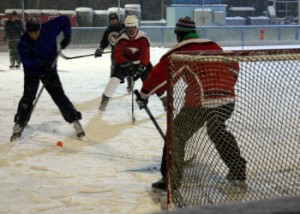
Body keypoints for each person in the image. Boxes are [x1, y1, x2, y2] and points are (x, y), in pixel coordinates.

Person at [135, 16, 247, 191]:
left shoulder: (183, 51)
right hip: (227, 100)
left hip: (200, 102)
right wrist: (223, 88)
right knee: (217, 129)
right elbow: (233, 68)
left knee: (176, 134)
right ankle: (238, 170)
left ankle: (170, 179)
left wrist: (144, 94)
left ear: (178, 34)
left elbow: (161, 75)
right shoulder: (214, 47)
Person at [11, 15, 85, 141]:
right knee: (28, 97)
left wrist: (67, 35)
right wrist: (42, 65)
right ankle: (20, 121)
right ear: (27, 31)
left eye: (36, 32)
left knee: (59, 96)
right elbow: (27, 61)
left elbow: (65, 20)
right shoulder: (23, 43)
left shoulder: (49, 29)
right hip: (32, 73)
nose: (34, 35)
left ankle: (74, 120)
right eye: (31, 33)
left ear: (40, 28)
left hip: (49, 71)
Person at [98, 15, 153, 111]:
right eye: (128, 27)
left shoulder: (143, 39)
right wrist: (125, 63)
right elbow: (118, 53)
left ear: (136, 26)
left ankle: (163, 100)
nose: (131, 29)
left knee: (153, 80)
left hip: (140, 63)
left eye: (133, 27)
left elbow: (146, 54)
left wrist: (142, 67)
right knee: (113, 80)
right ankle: (104, 103)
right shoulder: (121, 38)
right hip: (125, 62)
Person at [94, 13, 133, 92]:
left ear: (117, 19)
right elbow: (104, 42)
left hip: (126, 52)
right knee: (114, 68)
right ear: (109, 21)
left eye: (114, 19)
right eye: (111, 20)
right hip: (115, 53)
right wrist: (100, 49)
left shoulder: (123, 27)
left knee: (128, 68)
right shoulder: (108, 30)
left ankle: (130, 84)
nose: (113, 21)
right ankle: (111, 87)